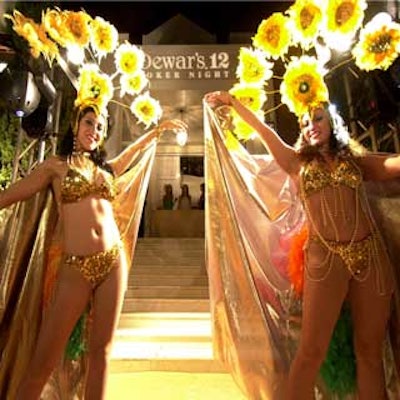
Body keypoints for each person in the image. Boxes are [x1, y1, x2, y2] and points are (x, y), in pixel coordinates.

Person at [204, 90, 400, 400]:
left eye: (318, 118)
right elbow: (263, 131)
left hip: (370, 257)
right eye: (305, 122)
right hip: (325, 261)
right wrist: (233, 103)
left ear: (331, 121)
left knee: (369, 352)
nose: (311, 125)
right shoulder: (295, 162)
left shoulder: (355, 160)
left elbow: (392, 165)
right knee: (310, 352)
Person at [0, 103, 187, 399]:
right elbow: (11, 195)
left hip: (113, 263)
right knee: (44, 361)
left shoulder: (104, 169)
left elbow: (127, 157)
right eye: (89, 123)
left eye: (100, 127)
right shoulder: (55, 167)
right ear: (75, 125)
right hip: (76, 267)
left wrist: (157, 131)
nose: (94, 131)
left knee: (101, 353)